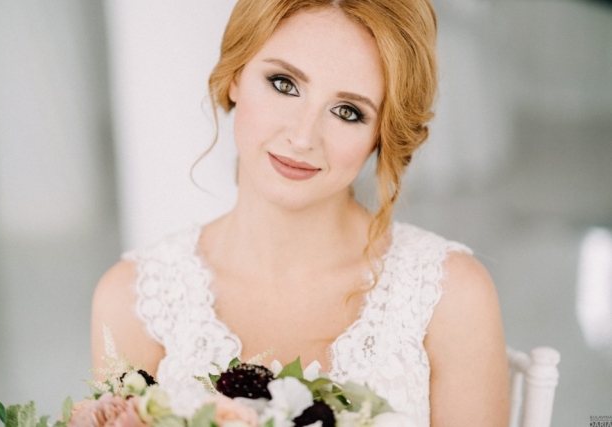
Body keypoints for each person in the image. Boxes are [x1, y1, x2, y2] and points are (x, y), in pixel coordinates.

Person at [91, 0, 510, 425]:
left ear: (381, 134)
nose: (303, 137)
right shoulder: (134, 301)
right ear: (235, 75)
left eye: (348, 112)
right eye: (283, 83)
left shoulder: (451, 297)